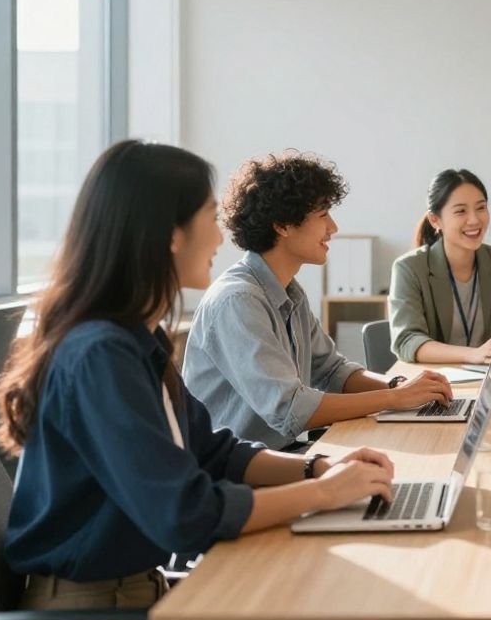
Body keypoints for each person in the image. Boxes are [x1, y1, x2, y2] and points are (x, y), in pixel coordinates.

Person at [0, 141, 397, 620]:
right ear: (167, 236)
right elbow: (186, 514)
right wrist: (323, 493)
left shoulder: (137, 338)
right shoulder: (100, 355)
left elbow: (213, 451)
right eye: (208, 216)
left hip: (143, 595)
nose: (219, 234)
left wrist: (319, 468)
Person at [185, 152, 451, 450]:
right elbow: (291, 410)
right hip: (240, 474)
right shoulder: (238, 301)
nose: (333, 228)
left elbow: (331, 371)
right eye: (323, 214)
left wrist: (399, 386)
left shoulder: (290, 292)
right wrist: (395, 399)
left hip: (279, 455)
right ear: (282, 225)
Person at [390, 169, 491, 364]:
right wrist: (472, 354)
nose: (474, 220)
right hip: (436, 382)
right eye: (461, 211)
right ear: (435, 220)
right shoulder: (409, 268)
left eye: (481, 208)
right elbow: (407, 341)